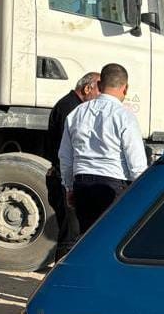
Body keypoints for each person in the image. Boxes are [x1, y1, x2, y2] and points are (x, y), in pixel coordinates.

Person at [60, 63, 148, 234]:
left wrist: (69, 187)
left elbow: (65, 156)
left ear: (99, 85)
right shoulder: (125, 116)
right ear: (125, 88)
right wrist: (141, 192)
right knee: (112, 237)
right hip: (112, 186)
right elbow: (136, 162)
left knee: (87, 237)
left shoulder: (76, 113)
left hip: (82, 184)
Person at [45, 72, 100, 259]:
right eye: (99, 90)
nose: (100, 97)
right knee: (70, 234)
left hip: (64, 176)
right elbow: (68, 150)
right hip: (64, 178)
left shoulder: (70, 106)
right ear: (87, 88)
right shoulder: (71, 109)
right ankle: (61, 272)